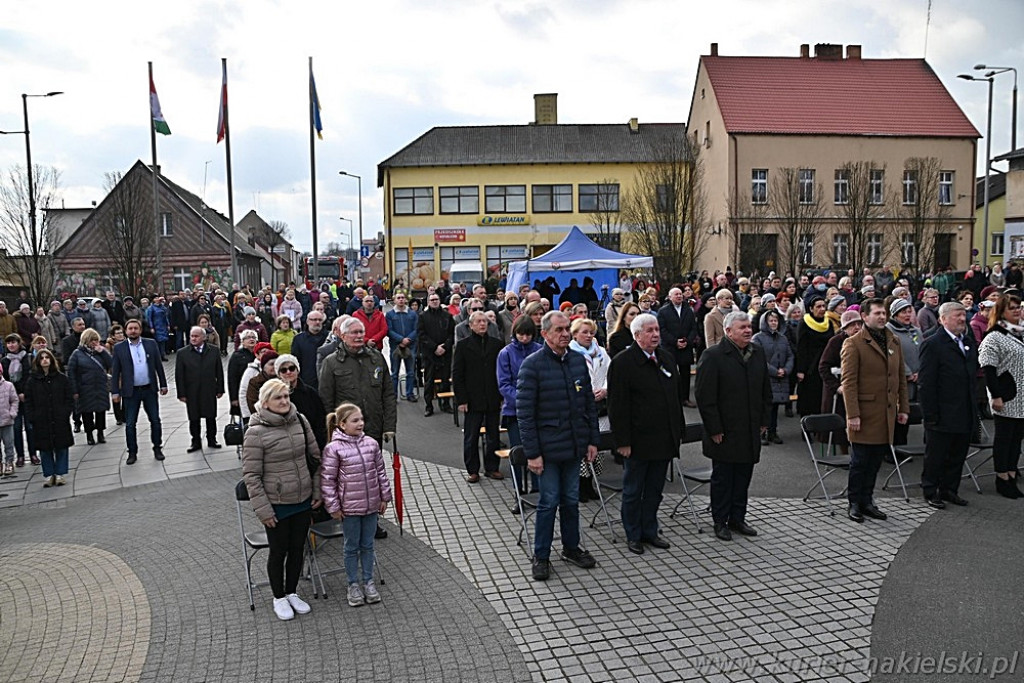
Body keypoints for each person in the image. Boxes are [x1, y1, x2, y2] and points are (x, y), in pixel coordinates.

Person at [517, 311, 600, 581]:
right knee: (548, 502)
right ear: (545, 334)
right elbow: (525, 415)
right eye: (559, 330)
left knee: (571, 501)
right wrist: (533, 454)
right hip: (547, 451)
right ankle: (541, 555)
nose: (565, 334)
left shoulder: (577, 361)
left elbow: (588, 404)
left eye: (567, 329)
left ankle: (571, 548)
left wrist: (591, 440)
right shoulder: (532, 365)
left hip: (574, 446)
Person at [242, 378, 321, 621]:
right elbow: (251, 476)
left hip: (302, 497)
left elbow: (315, 459)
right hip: (276, 503)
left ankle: (292, 591)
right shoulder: (255, 431)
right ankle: (278, 597)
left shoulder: (300, 419)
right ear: (265, 402)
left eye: (286, 396)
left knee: (298, 549)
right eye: (278, 397)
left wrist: (316, 491)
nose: (285, 401)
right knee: (278, 552)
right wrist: (263, 510)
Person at [608, 313, 685, 554]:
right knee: (633, 490)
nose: (655, 334)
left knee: (654, 490)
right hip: (637, 441)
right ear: (637, 334)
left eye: (657, 330)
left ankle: (650, 529)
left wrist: (678, 431)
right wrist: (622, 441)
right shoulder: (622, 362)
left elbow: (675, 398)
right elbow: (617, 406)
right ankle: (633, 533)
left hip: (663, 438)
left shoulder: (666, 358)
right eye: (650, 330)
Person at [695, 311, 771, 541]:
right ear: (728, 332)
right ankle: (720, 521)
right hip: (725, 431)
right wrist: (714, 429)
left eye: (749, 326)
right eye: (742, 327)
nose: (748, 330)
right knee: (723, 478)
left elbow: (765, 390)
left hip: (749, 428)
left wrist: (764, 421)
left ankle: (738, 517)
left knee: (743, 476)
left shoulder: (756, 352)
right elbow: (705, 397)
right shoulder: (713, 356)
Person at [840, 299, 909, 522]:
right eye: (877, 313)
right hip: (864, 412)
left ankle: (868, 500)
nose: (882, 316)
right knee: (860, 461)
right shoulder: (854, 343)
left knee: (876, 460)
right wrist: (853, 415)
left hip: (886, 412)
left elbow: (900, 379)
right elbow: (849, 382)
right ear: (864, 316)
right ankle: (854, 502)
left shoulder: (893, 341)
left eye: (884, 313)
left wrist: (903, 407)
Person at [320, 402, 391, 607]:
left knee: (368, 545)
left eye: (361, 419)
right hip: (349, 508)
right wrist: (333, 507)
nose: (360, 423)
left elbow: (380, 472)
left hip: (371, 506)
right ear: (342, 424)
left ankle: (368, 581)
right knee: (351, 547)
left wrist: (384, 497)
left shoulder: (371, 444)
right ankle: (353, 584)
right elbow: (328, 480)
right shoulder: (333, 449)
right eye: (355, 420)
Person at [918, 301, 977, 509]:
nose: (962, 319)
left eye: (964, 315)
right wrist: (930, 414)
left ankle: (949, 489)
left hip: (965, 410)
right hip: (941, 412)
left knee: (957, 455)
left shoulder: (968, 342)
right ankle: (930, 490)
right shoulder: (933, 344)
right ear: (943, 320)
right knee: (936, 455)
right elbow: (926, 383)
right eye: (957, 316)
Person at [978, 293, 1024, 498]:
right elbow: (988, 368)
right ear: (1002, 311)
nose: (1017, 310)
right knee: (1004, 439)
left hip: (1022, 396)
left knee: (1017, 439)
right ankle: (1002, 477)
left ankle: (1013, 472)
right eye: (1012, 307)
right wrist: (995, 396)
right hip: (1006, 395)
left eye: (1018, 307)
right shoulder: (994, 336)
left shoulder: (1020, 332)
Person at [452, 311, 504, 482]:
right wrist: (461, 399)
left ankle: (492, 467)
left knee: (493, 436)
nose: (482, 324)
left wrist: (501, 395)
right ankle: (472, 470)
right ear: (471, 325)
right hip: (472, 398)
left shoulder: (497, 344)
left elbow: (501, 371)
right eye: (479, 321)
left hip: (492, 396)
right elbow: (457, 373)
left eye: (485, 321)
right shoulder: (463, 345)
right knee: (471, 436)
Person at [110, 319, 168, 464]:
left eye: (136, 328)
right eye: (130, 328)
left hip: (149, 389)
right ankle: (132, 452)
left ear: (140, 330)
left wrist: (163, 384)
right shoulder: (119, 348)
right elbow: (115, 372)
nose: (133, 331)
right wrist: (115, 392)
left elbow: (158, 365)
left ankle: (157, 447)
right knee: (130, 423)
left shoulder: (150, 344)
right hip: (131, 392)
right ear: (126, 331)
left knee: (155, 420)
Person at [497, 316, 543, 498]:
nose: (525, 338)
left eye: (528, 335)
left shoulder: (539, 350)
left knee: (537, 449)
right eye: (521, 334)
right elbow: (504, 384)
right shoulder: (506, 353)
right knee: (517, 453)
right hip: (514, 411)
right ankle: (518, 491)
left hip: (537, 409)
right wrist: (523, 401)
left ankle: (538, 489)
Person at [569, 317, 611, 501]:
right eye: (584, 332)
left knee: (598, 445)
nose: (588, 335)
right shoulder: (570, 353)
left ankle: (591, 482)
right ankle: (580, 484)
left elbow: (611, 371)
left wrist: (605, 389)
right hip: (581, 406)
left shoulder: (601, 351)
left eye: (591, 332)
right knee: (582, 445)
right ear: (575, 334)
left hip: (601, 405)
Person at [23, 349, 73, 486]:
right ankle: (49, 474)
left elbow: (69, 397)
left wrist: (65, 412)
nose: (45, 360)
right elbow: (28, 400)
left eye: (47, 357)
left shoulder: (61, 378)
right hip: (41, 419)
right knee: (45, 448)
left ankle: (60, 473)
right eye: (42, 358)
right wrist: (32, 416)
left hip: (59, 417)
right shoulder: (32, 380)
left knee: (61, 446)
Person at [175, 326, 225, 453]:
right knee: (194, 417)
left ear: (204, 337)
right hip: (192, 391)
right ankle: (195, 441)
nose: (193, 338)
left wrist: (220, 389)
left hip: (208, 389)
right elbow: (179, 375)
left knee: (211, 416)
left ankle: (212, 439)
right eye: (192, 336)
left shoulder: (213, 351)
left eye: (196, 336)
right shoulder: (182, 353)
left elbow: (219, 371)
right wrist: (181, 393)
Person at [752, 309, 795, 446]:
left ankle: (773, 432)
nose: (773, 323)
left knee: (775, 407)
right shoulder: (757, 338)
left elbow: (790, 355)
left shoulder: (783, 338)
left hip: (781, 377)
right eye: (771, 320)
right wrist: (774, 371)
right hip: (766, 378)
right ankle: (761, 432)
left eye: (776, 320)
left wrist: (786, 370)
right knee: (765, 406)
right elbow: (758, 359)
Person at [66, 328, 112, 446]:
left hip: (100, 386)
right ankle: (89, 434)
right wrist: (74, 390)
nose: (95, 343)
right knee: (87, 412)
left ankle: (100, 432)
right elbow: (71, 373)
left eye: (96, 340)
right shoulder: (77, 354)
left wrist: (103, 352)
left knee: (101, 411)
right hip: (85, 387)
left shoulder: (100, 352)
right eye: (92, 340)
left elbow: (111, 364)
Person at [657, 287, 699, 408]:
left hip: (686, 347)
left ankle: (685, 398)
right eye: (676, 294)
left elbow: (693, 328)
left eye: (680, 294)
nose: (679, 296)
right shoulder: (663, 311)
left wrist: (687, 341)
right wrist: (675, 342)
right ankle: (672, 399)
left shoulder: (688, 310)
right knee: (671, 373)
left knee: (685, 374)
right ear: (670, 297)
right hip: (670, 348)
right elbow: (662, 330)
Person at [275, 354, 327, 450]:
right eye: (283, 370)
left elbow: (320, 420)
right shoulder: (274, 395)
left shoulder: (311, 393)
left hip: (311, 442)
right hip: (286, 445)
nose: (288, 372)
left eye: (291, 368)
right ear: (279, 374)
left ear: (297, 370)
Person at [795, 296, 834, 417]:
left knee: (821, 399)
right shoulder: (804, 323)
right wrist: (800, 370)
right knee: (807, 400)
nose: (822, 309)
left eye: (824, 306)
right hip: (809, 367)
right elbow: (801, 348)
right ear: (811, 309)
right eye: (818, 306)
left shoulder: (828, 323)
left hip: (824, 365)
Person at [418, 293, 454, 417]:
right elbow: (421, 335)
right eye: (432, 300)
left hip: (445, 353)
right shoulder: (423, 316)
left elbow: (451, 334)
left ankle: (446, 404)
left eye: (436, 299)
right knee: (429, 381)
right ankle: (429, 406)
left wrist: (444, 347)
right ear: (428, 302)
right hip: (430, 354)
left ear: (440, 301)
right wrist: (434, 347)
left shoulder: (447, 316)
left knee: (445, 380)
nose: (434, 302)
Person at [385, 292, 419, 402]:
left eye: (402, 298)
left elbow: (416, 329)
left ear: (405, 300)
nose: (400, 300)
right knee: (394, 373)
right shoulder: (390, 314)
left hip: (410, 346)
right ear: (394, 300)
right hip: (396, 346)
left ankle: (410, 393)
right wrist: (400, 340)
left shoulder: (412, 314)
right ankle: (394, 395)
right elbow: (389, 330)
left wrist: (408, 340)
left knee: (410, 372)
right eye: (398, 298)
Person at [291, 310, 328, 390]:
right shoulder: (298, 339)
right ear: (308, 321)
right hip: (307, 382)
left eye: (319, 320)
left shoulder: (329, 338)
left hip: (327, 382)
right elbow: (295, 361)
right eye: (314, 320)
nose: (317, 322)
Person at [228, 329, 258, 418]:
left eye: (253, 337)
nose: (251, 339)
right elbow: (232, 378)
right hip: (242, 392)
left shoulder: (259, 355)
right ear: (242, 341)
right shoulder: (237, 356)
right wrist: (233, 398)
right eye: (248, 337)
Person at [0, 364, 19, 475]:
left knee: (9, 443)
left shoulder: (8, 385)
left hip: (7, 420)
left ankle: (9, 462)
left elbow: (14, 400)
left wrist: (12, 413)